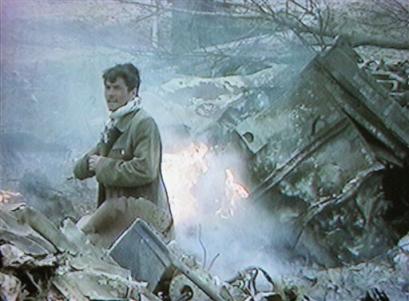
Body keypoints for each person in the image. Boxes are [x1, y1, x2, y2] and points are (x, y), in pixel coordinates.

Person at [73, 63, 173, 247]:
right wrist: (84, 165)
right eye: (108, 88)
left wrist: (102, 165)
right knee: (81, 237)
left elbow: (145, 169)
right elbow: (83, 168)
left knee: (83, 239)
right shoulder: (114, 125)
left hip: (143, 216)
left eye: (117, 88)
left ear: (133, 92)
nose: (110, 94)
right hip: (119, 213)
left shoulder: (143, 124)